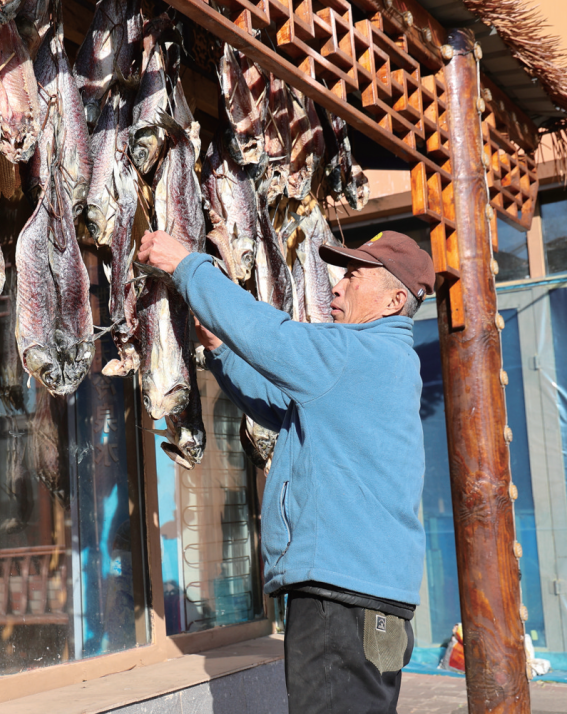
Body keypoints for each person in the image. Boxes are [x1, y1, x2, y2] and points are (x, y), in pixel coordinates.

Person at [138, 229, 435, 714]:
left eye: (353, 277)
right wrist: (223, 351)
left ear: (393, 301)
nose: (337, 285)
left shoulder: (356, 354)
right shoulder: (383, 362)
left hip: (342, 598)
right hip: (367, 602)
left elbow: (270, 335)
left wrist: (188, 265)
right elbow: (278, 406)